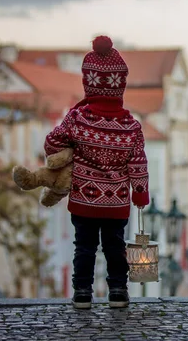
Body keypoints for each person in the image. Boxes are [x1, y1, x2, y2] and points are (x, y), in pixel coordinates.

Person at [44, 36, 149, 309]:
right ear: (120, 85)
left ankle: (82, 292)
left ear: (88, 82)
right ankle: (117, 291)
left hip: (84, 199)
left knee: (84, 247)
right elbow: (138, 162)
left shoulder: (78, 118)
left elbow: (51, 143)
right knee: (115, 247)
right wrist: (140, 192)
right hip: (116, 202)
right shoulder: (131, 125)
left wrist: (74, 132)